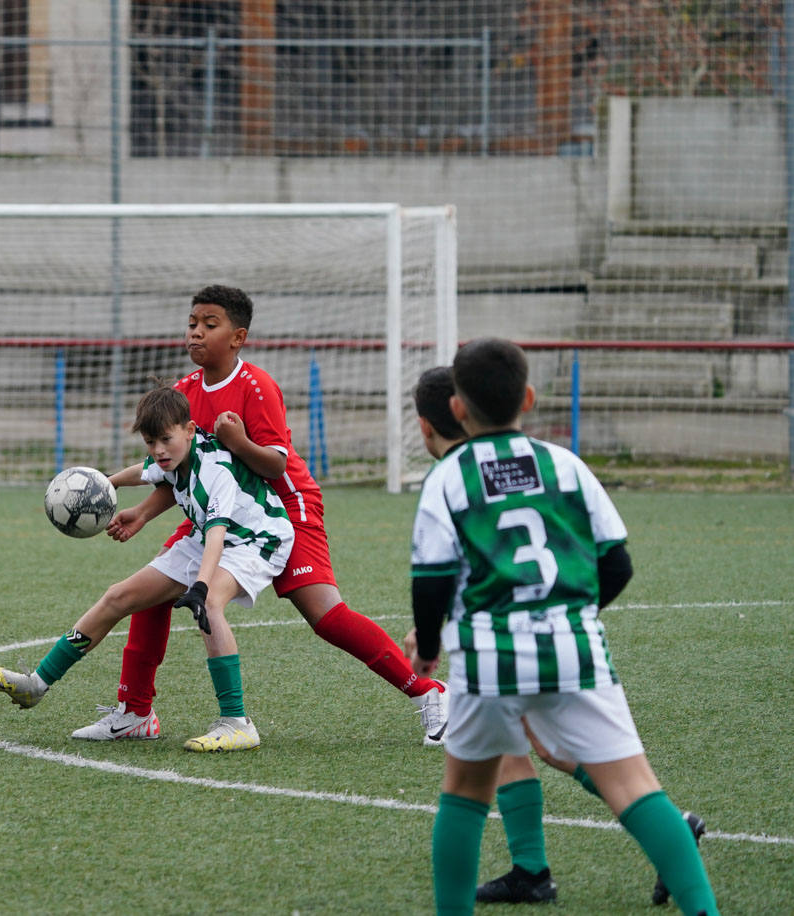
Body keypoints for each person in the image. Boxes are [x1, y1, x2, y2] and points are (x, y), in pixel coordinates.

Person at [409, 338, 718, 915]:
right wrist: (569, 614)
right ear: (528, 397)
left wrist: (428, 652)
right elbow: (617, 564)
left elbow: (430, 581)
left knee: (464, 795)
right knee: (636, 790)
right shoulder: (565, 464)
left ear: (456, 410)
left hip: (487, 658)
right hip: (573, 648)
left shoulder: (450, 478)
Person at [74, 284, 447, 744]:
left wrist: (239, 442)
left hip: (286, 507)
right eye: (192, 323)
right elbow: (189, 472)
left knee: (325, 615)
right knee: (151, 592)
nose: (196, 333)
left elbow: (274, 463)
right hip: (223, 510)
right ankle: (134, 712)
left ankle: (429, 694)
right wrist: (144, 513)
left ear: (238, 337)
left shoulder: (256, 386)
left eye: (210, 325)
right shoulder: (184, 392)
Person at [0, 383, 294, 751]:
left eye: (165, 439)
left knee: (208, 606)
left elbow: (216, 536)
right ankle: (36, 685)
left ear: (190, 431)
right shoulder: (173, 456)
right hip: (211, 538)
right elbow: (143, 473)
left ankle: (237, 723)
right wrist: (99, 486)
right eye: (150, 442)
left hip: (257, 540)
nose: (158, 450)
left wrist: (201, 586)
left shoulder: (215, 472)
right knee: (118, 596)